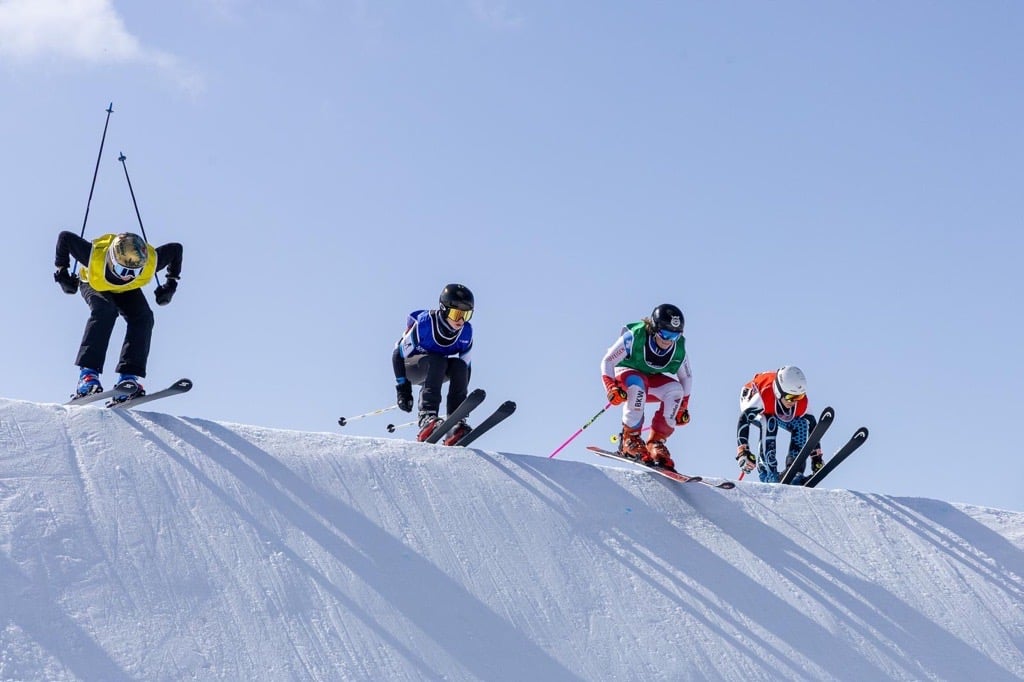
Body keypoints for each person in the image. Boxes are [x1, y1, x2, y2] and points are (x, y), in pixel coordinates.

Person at [54, 230, 183, 400]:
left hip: (127, 291)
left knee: (144, 318)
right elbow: (65, 238)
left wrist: (171, 284)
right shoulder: (94, 257)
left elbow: (176, 249)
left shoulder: (150, 261)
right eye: (123, 271)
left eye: (134, 272)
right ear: (111, 260)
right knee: (105, 311)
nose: (127, 276)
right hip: (95, 282)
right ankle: (88, 375)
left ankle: (128, 377)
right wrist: (62, 272)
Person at [600, 303, 692, 472]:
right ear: (655, 329)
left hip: (650, 378)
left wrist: (683, 407)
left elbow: (686, 377)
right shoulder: (636, 337)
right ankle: (630, 439)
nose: (668, 341)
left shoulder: (678, 349)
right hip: (626, 373)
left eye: (674, 336)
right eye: (665, 334)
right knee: (639, 383)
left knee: (676, 391)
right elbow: (607, 361)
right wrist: (611, 388)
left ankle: (656, 442)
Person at [392, 283, 475, 445]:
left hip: (437, 370)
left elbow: (466, 368)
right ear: (444, 310)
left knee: (458, 366)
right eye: (456, 314)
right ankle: (426, 417)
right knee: (437, 360)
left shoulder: (466, 332)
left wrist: (462, 404)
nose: (460, 320)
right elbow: (397, 353)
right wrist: (403, 389)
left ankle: (455, 424)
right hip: (411, 367)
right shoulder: (425, 325)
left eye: (466, 315)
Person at [735, 366, 823, 483]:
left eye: (799, 396)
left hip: (775, 407)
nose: (795, 401)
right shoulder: (763, 396)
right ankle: (769, 474)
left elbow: (812, 425)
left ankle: (794, 470)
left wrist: (816, 457)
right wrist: (743, 451)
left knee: (801, 424)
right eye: (791, 398)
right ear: (779, 392)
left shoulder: (800, 400)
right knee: (769, 421)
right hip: (752, 402)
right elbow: (744, 419)